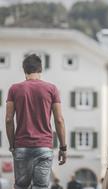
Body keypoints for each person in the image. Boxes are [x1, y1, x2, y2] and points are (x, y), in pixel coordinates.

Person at [5, 54, 67, 189]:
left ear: (24, 71)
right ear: (40, 70)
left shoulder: (14, 89)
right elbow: (59, 120)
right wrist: (63, 147)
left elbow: (9, 119)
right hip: (44, 147)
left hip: (21, 145)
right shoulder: (52, 89)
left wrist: (12, 145)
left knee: (21, 186)